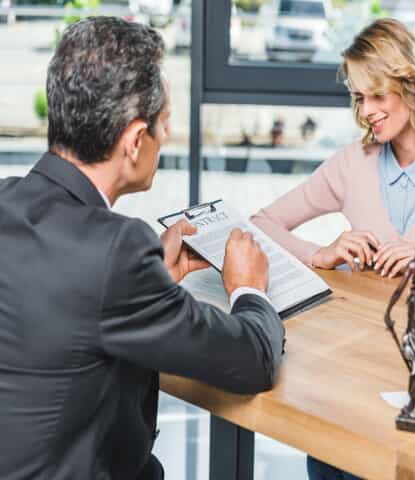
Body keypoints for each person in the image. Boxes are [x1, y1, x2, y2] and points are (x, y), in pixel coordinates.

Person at [0, 17, 284, 479]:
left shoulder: (8, 201)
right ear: (134, 140)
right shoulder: (116, 252)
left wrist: (154, 282)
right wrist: (249, 288)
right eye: (164, 121)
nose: (167, 135)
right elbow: (251, 362)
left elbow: (61, 315)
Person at [251, 18, 415, 279]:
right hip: (361, 318)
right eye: (359, 97)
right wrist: (319, 255)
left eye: (378, 95)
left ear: (412, 87)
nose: (366, 111)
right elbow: (261, 225)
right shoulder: (351, 164)